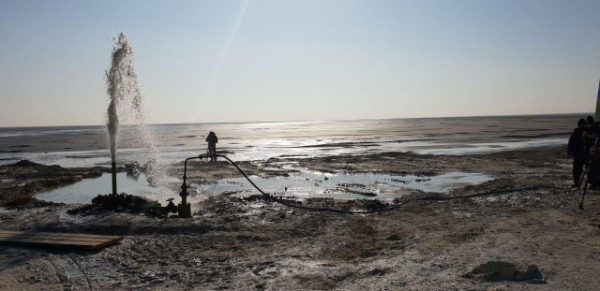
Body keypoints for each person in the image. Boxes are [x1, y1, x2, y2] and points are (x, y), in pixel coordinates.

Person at [567, 118, 586, 187]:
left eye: (583, 124)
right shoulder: (575, 133)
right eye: (580, 124)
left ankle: (593, 184)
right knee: (576, 170)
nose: (582, 126)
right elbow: (571, 143)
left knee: (590, 170)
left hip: (586, 154)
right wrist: (569, 151)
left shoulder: (587, 132)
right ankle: (577, 183)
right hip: (577, 154)